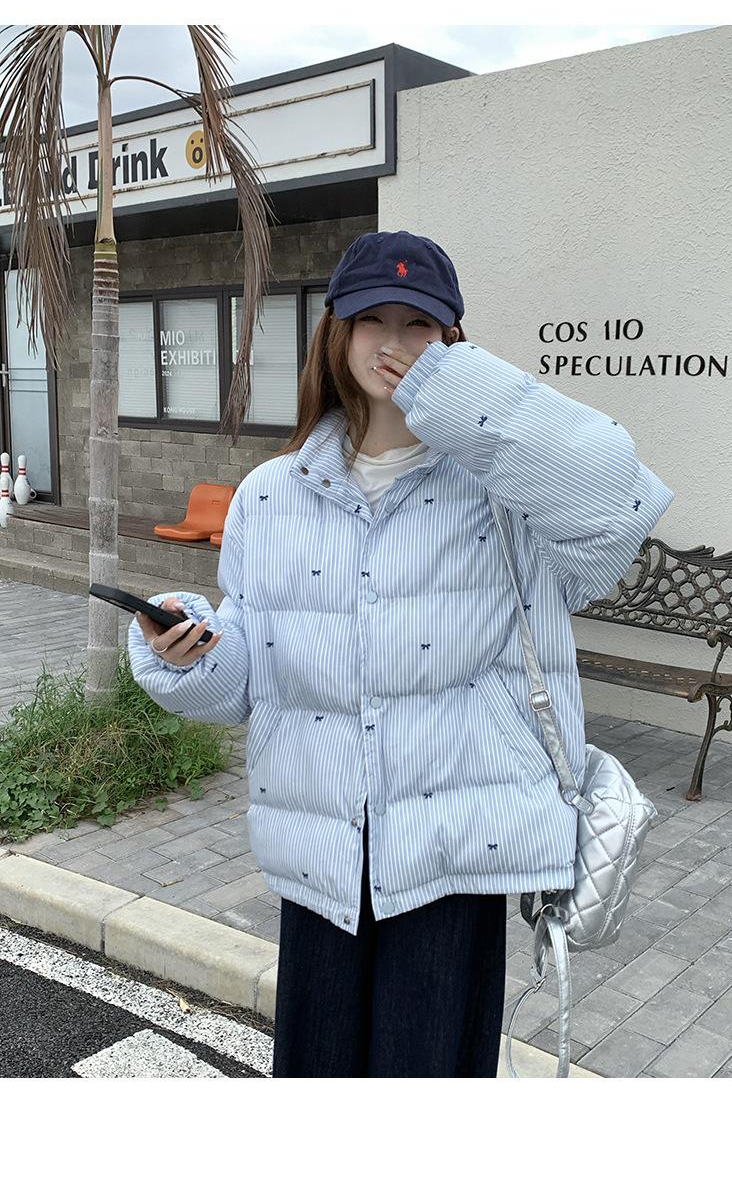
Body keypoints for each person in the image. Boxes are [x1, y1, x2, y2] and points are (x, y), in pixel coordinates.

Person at [129, 228, 675, 1078]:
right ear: (337, 334)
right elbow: (250, 677)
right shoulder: (273, 493)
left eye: (420, 323)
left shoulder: (504, 489)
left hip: (454, 853)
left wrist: (448, 394)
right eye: (372, 320)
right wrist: (190, 653)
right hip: (322, 851)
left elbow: (617, 493)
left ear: (452, 339)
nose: (394, 341)